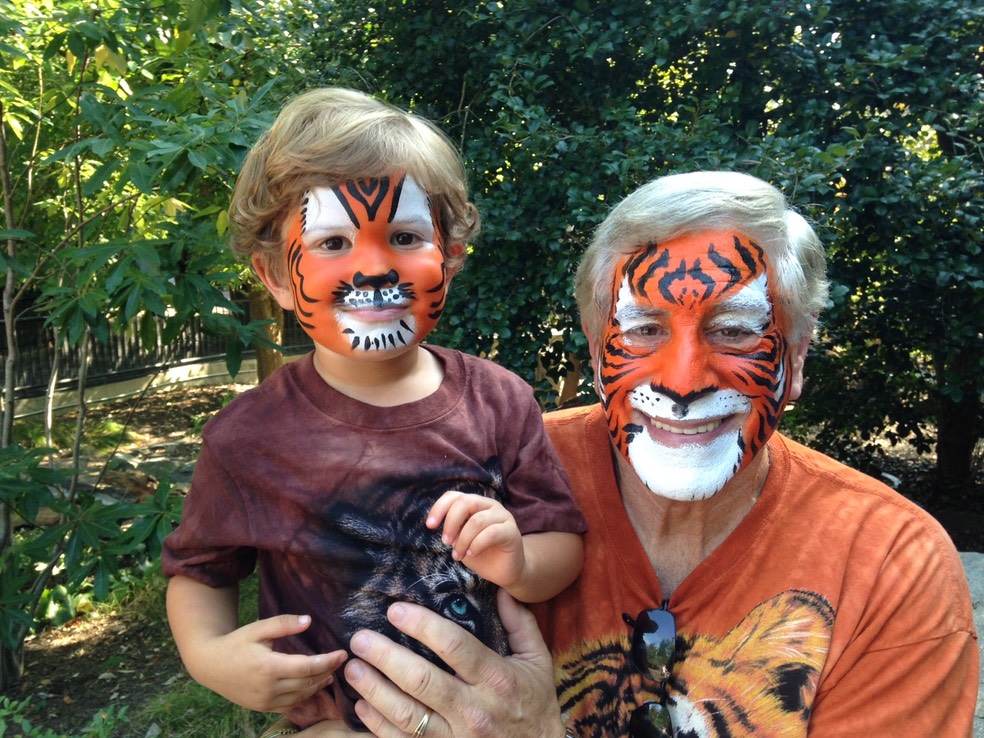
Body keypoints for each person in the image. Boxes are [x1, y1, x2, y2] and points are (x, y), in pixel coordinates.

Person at [326, 171, 979, 738]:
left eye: (732, 330)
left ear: (797, 358)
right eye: (642, 331)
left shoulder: (893, 565)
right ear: (594, 351)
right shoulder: (475, 480)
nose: (684, 381)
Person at [160, 87, 586, 733]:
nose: (374, 269)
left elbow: (560, 543)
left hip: (483, 717)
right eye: (331, 242)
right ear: (276, 275)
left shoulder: (500, 399)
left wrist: (521, 563)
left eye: (406, 236)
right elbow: (199, 573)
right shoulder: (246, 437)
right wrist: (209, 657)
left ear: (451, 255)